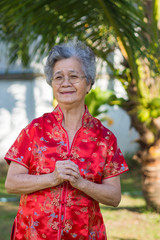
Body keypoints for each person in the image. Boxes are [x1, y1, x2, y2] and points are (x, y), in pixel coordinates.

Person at [4, 40, 128, 240]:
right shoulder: (35, 130)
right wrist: (52, 178)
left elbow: (114, 197)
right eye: (58, 77)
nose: (65, 83)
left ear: (88, 83)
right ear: (52, 84)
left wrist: (81, 182)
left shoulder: (104, 138)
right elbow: (11, 184)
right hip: (33, 234)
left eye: (74, 76)